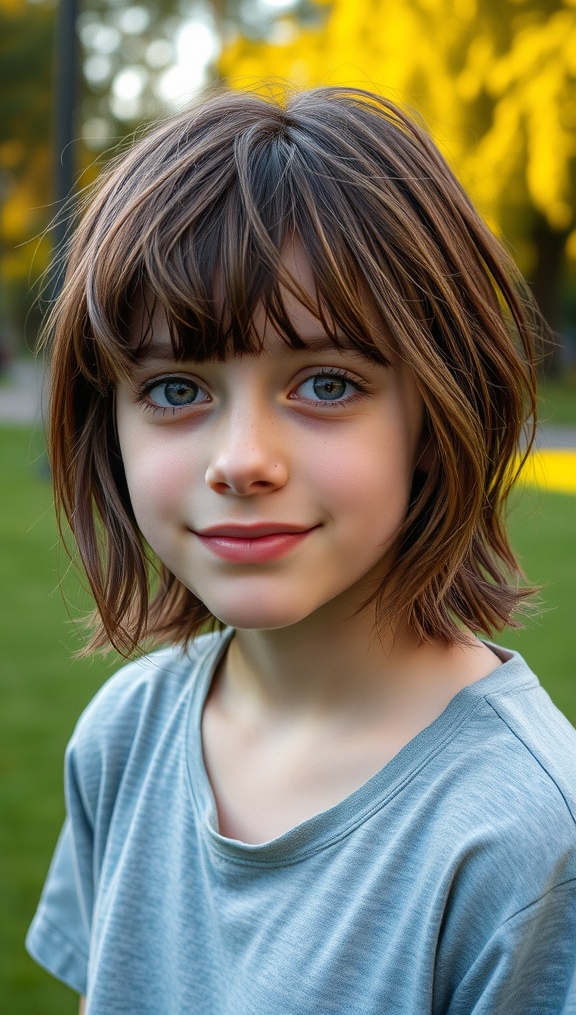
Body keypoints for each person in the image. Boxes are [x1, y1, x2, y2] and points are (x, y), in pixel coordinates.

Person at [26, 86, 576, 1014]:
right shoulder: (123, 733)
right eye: (172, 389)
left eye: (325, 383)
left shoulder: (523, 837)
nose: (242, 461)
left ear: (440, 410)